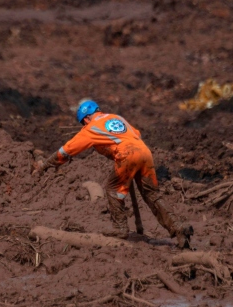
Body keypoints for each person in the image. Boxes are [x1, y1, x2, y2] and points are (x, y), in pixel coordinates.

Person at [34, 99, 193, 247]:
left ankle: (120, 228)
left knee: (112, 189)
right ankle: (178, 228)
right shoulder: (117, 117)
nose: (83, 125)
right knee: (152, 194)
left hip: (127, 154)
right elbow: (136, 133)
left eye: (83, 122)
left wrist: (46, 164)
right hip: (145, 152)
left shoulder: (90, 128)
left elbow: (67, 150)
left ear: (87, 118)